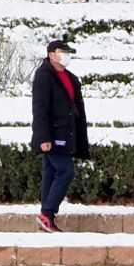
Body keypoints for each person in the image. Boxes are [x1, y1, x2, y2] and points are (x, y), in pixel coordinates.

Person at [30, 37, 89, 232]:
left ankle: (46, 218)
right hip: (53, 134)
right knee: (65, 171)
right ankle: (47, 213)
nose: (67, 56)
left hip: (67, 132)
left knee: (51, 171)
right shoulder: (44, 76)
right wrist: (43, 137)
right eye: (63, 53)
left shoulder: (69, 77)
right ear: (52, 55)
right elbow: (40, 109)